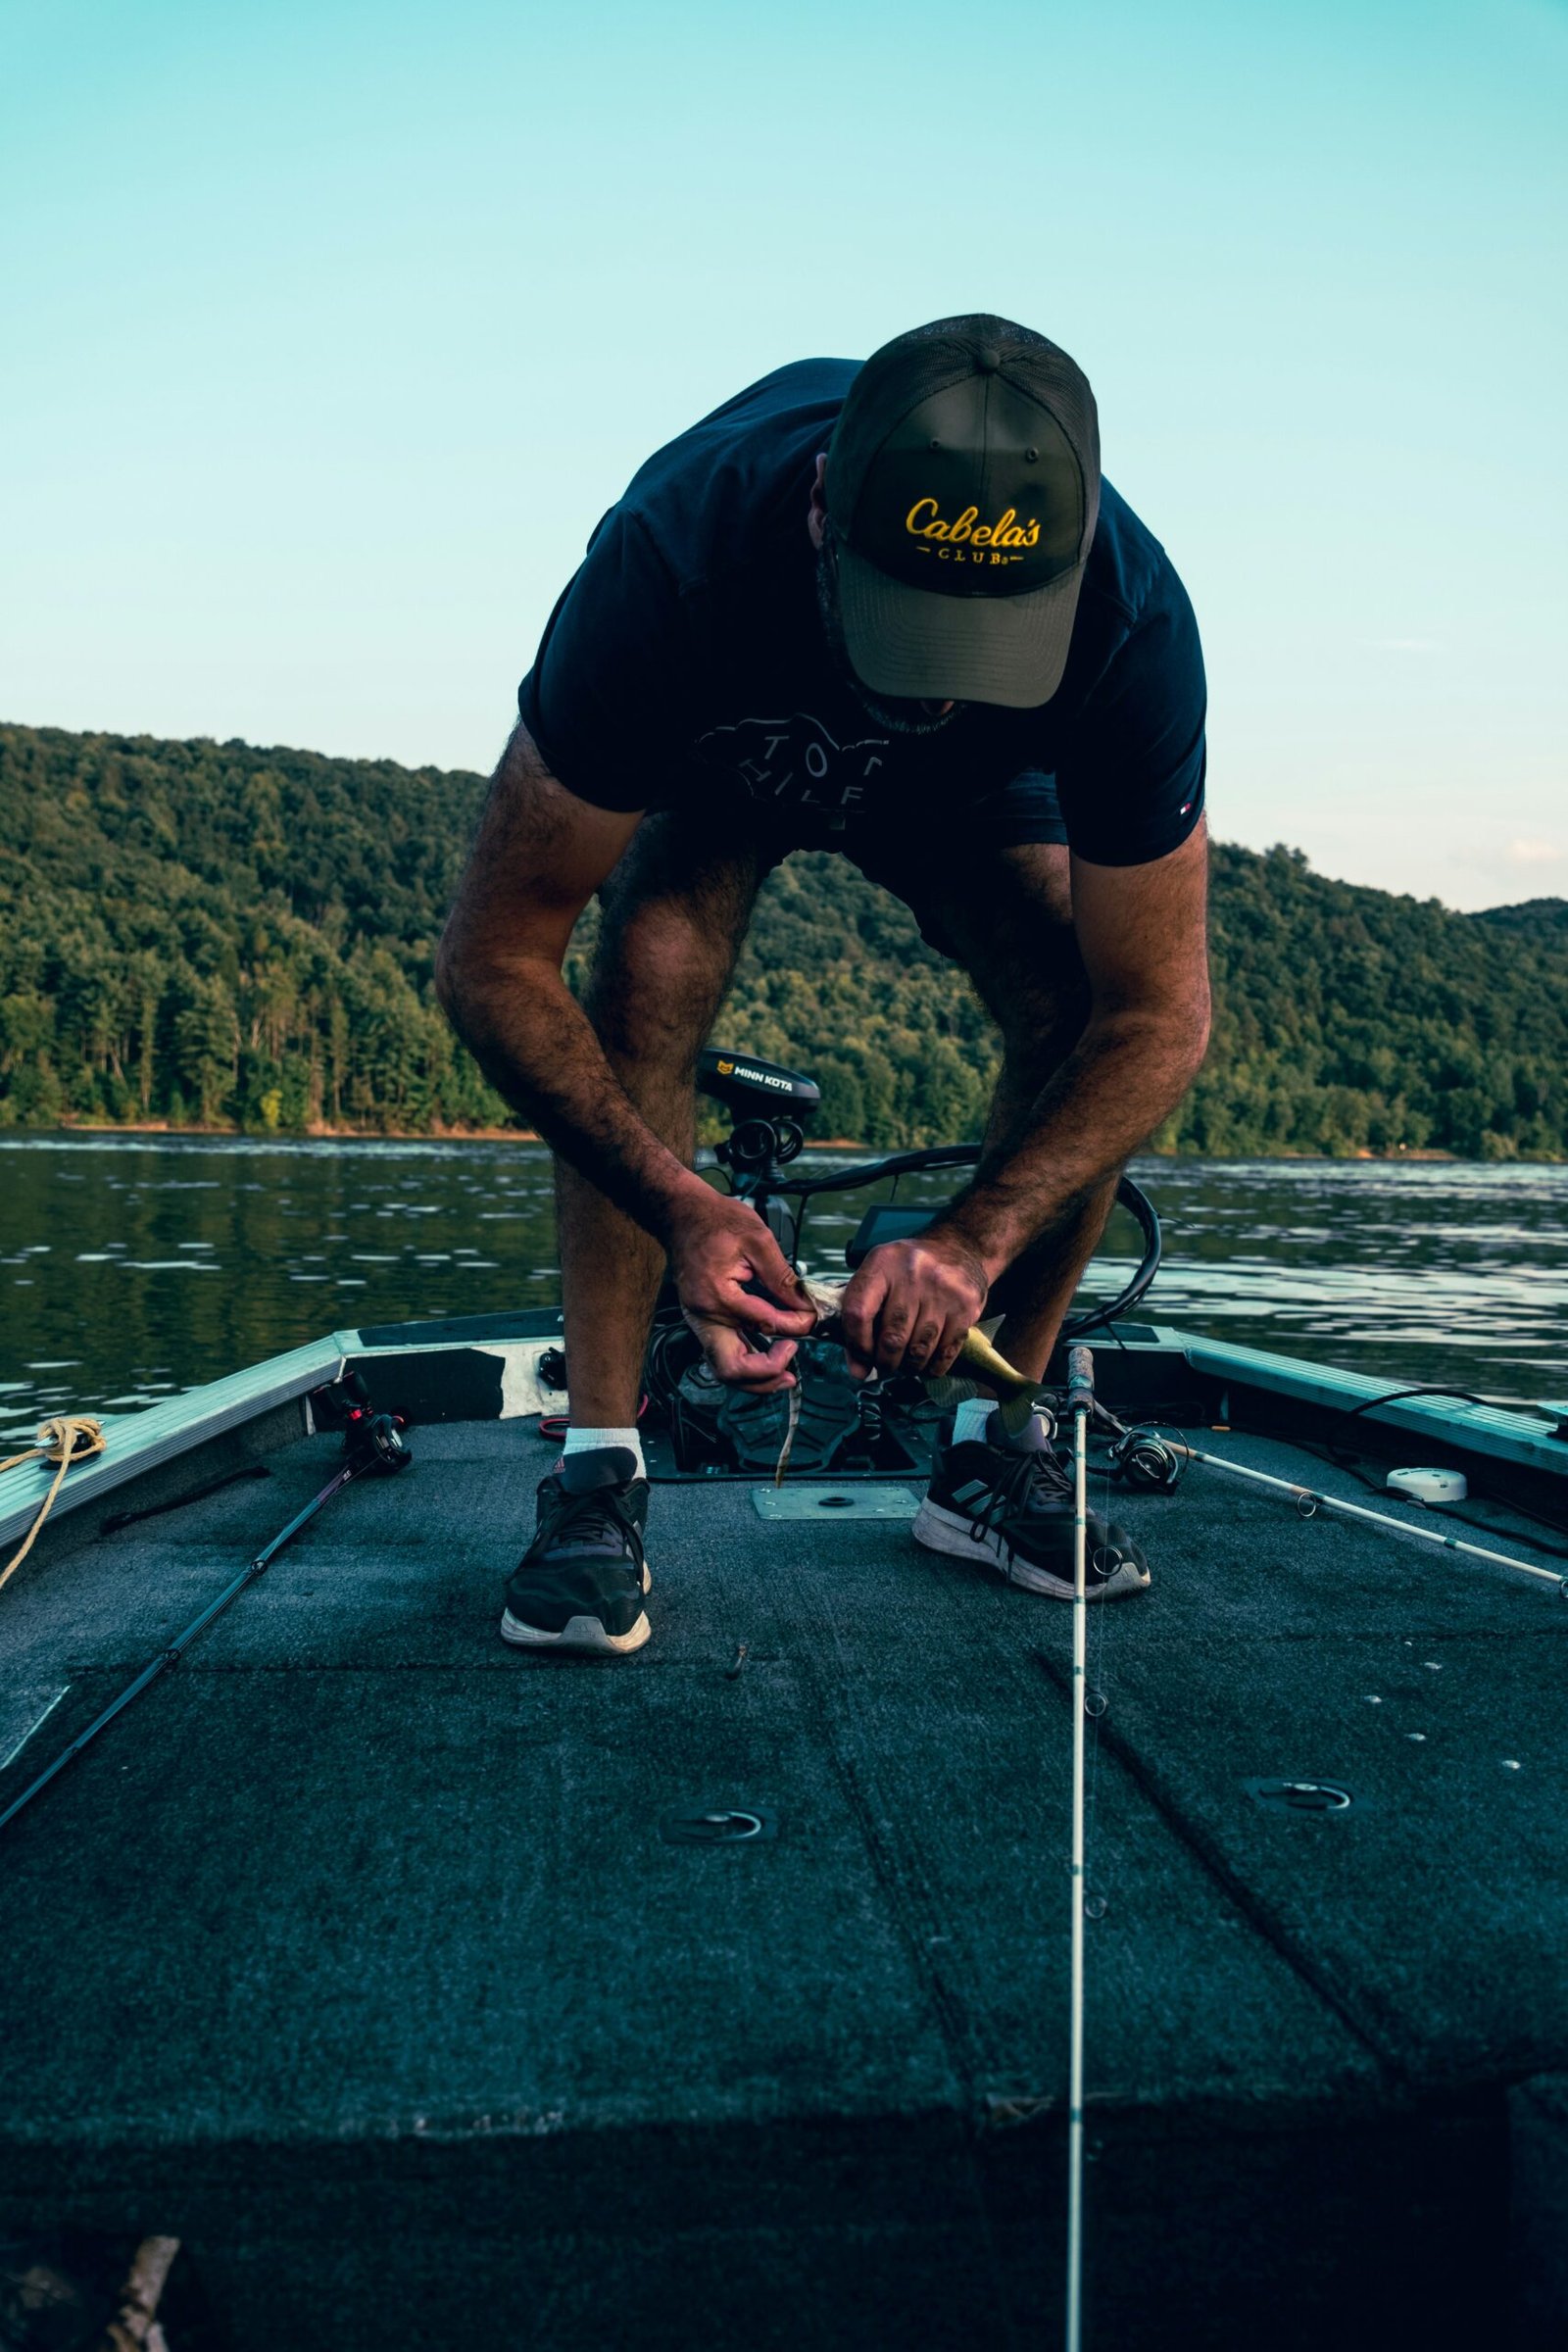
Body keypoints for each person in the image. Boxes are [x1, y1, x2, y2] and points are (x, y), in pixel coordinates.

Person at [436, 314, 1211, 1656]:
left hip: (974, 795)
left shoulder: (1131, 618)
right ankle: (598, 1475)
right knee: (648, 967)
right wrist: (680, 1206)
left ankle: (993, 1448)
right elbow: (492, 956)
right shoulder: (673, 565)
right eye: (915, 626)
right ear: (817, 514)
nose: (929, 692)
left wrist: (970, 1245)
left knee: (1079, 1010)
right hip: (729, 744)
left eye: (983, 639)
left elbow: (1163, 1015)